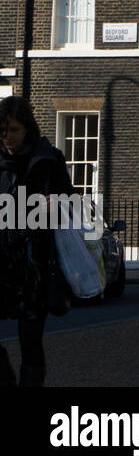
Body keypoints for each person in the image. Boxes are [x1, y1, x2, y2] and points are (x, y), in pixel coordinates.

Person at [0, 95, 74, 387]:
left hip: (34, 263)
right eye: (2, 130)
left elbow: (72, 201)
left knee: (31, 344)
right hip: (1, 259)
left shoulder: (49, 158)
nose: (7, 137)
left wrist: (55, 203)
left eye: (13, 130)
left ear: (27, 129)